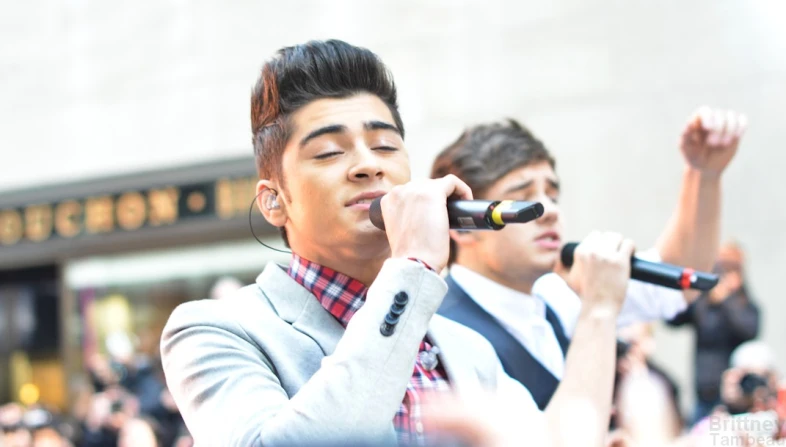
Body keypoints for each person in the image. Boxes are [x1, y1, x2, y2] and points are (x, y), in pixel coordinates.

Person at [161, 39, 638, 447]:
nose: (368, 165)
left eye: (386, 146)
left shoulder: (462, 346)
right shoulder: (214, 330)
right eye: (329, 152)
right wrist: (411, 268)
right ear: (273, 202)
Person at [432, 110, 746, 410]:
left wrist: (704, 174)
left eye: (552, 196)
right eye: (523, 198)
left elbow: (675, 281)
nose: (550, 211)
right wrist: (599, 308)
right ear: (465, 224)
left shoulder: (553, 296)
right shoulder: (442, 335)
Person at [668, 241, 760, 424]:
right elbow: (673, 319)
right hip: (702, 396)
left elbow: (750, 331)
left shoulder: (743, 306)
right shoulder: (704, 304)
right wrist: (691, 290)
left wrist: (727, 300)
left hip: (734, 399)